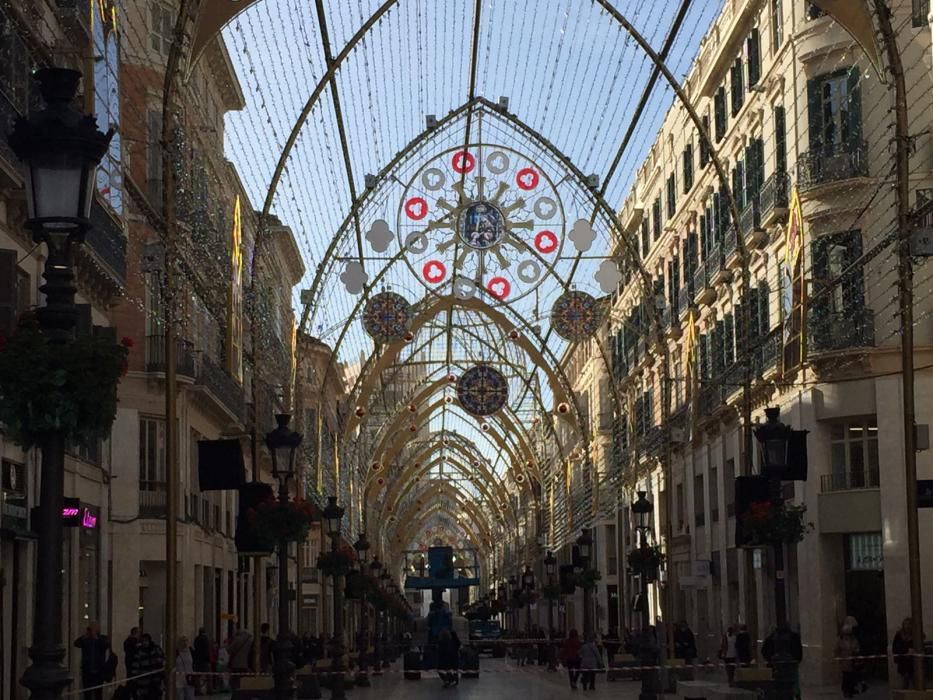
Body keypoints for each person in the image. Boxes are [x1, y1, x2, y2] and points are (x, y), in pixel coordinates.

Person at [762, 622, 803, 700]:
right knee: (793, 682)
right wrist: (797, 659)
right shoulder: (794, 637)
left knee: (783, 683)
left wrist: (769, 660)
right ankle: (796, 695)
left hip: (778, 665)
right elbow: (799, 650)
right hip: (790, 664)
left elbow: (764, 650)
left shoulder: (772, 637)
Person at [73, 621, 113, 700]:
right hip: (87, 671)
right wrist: (85, 635)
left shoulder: (102, 638)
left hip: (98, 672)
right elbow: (76, 643)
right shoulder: (86, 639)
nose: (93, 630)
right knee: (87, 694)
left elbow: (106, 645)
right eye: (91, 628)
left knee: (98, 694)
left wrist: (96, 638)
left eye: (95, 627)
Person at [129, 634, 165, 700]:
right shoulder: (139, 651)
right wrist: (134, 679)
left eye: (146, 641)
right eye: (143, 641)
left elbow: (162, 661)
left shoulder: (156, 649)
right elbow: (135, 666)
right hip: (144, 682)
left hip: (156, 681)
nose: (144, 643)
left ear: (149, 641)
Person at [835, 619, 861, 697]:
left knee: (851, 676)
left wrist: (857, 650)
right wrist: (837, 658)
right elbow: (837, 649)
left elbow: (856, 646)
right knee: (846, 676)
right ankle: (846, 690)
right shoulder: (841, 640)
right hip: (845, 661)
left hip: (852, 661)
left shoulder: (853, 639)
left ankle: (851, 689)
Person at [893, 617, 918, 690]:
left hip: (913, 660)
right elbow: (896, 647)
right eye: (906, 624)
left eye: (909, 624)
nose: (907, 626)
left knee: (914, 678)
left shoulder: (915, 634)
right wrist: (905, 651)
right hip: (903, 660)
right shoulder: (899, 635)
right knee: (905, 678)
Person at [175, 636, 196, 700]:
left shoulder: (191, 651)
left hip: (189, 677)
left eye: (186, 641)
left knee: (190, 696)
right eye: (183, 641)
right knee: (179, 697)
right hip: (179, 678)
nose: (184, 643)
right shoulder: (176, 652)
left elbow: (195, 663)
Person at [192, 628, 211, 695]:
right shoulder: (206, 639)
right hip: (205, 660)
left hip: (197, 660)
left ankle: (197, 690)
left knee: (197, 676)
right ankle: (209, 690)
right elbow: (207, 650)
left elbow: (195, 647)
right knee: (209, 676)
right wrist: (209, 659)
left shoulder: (196, 639)